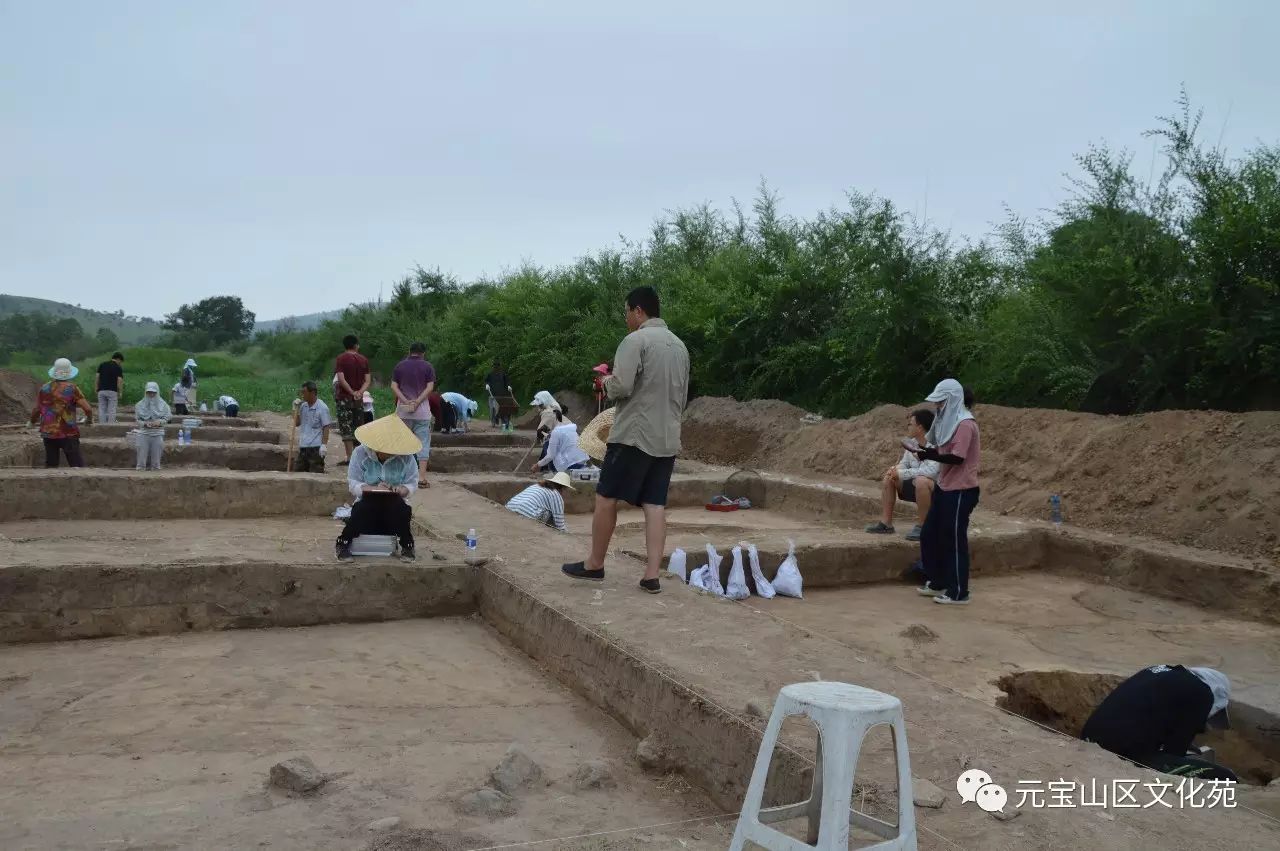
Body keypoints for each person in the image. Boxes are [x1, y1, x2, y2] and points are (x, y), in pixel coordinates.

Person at [562, 286, 690, 594]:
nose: (626, 319)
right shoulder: (680, 347)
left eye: (626, 312)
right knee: (654, 503)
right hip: (668, 436)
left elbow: (621, 387)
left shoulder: (636, 341)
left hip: (634, 435)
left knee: (606, 496)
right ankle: (651, 575)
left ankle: (594, 563)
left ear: (638, 311)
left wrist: (605, 381)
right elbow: (683, 397)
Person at [1082, 665, 1237, 781]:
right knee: (1226, 777)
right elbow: (1175, 752)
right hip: (1121, 753)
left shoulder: (1158, 671)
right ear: (1216, 693)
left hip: (1088, 740)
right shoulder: (1203, 693)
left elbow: (1148, 715)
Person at [912, 378, 980, 605]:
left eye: (941, 403)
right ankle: (938, 580)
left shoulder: (965, 424)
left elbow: (957, 458)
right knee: (930, 533)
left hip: (961, 490)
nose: (938, 407)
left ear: (951, 400)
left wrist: (928, 455)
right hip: (945, 486)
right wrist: (924, 450)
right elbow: (937, 445)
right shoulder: (948, 423)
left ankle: (959, 591)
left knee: (954, 540)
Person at [336, 415, 421, 562]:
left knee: (401, 508)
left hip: (393, 508)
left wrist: (402, 489)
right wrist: (370, 488)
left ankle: (407, 544)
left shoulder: (407, 457)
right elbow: (353, 482)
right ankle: (343, 542)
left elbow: (412, 482)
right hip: (367, 505)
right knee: (364, 507)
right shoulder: (360, 453)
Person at [865, 408, 939, 541]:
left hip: (936, 491)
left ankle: (924, 527)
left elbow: (931, 472)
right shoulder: (912, 444)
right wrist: (894, 470)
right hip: (916, 486)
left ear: (920, 427)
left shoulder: (935, 446)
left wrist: (902, 473)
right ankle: (886, 524)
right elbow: (904, 463)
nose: (908, 427)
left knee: (922, 481)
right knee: (889, 478)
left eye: (911, 424)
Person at [30, 357, 94, 468]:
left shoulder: (44, 388)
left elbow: (36, 409)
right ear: (69, 373)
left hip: (48, 432)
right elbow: (87, 409)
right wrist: (89, 419)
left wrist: (31, 422)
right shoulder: (72, 388)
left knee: (51, 466)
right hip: (68, 432)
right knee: (76, 466)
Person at [391, 342, 436, 486]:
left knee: (402, 442)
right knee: (423, 443)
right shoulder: (427, 366)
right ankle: (421, 478)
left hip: (403, 411)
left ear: (410, 351)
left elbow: (394, 386)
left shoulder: (400, 366)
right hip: (422, 412)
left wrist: (405, 400)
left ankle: (401, 476)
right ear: (423, 353)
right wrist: (417, 402)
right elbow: (430, 387)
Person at [334, 334, 371, 465]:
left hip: (344, 398)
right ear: (356, 345)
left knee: (346, 428)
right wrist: (359, 392)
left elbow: (341, 378)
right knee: (357, 427)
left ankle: (350, 458)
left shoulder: (341, 359)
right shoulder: (363, 360)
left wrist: (350, 392)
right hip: (358, 399)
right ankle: (358, 457)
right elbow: (367, 380)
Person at [506, 472, 574, 532]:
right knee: (550, 515)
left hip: (509, 508)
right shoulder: (555, 494)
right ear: (563, 488)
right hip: (526, 515)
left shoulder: (536, 486)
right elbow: (560, 524)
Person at [292, 381, 332, 473]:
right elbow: (297, 423)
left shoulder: (322, 407)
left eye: (304, 392)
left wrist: (324, 445)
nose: (302, 395)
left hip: (315, 447)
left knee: (315, 473)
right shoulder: (303, 406)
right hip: (303, 446)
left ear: (312, 393)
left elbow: (326, 426)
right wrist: (295, 409)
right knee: (298, 472)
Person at [134, 381, 170, 471]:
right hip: (144, 433)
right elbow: (138, 419)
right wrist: (145, 424)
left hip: (158, 433)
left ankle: (155, 474)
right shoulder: (139, 405)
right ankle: (140, 472)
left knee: (156, 461)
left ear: (157, 392)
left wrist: (159, 422)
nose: (151, 394)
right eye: (149, 392)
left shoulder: (164, 405)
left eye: (153, 392)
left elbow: (167, 417)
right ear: (146, 392)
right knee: (141, 458)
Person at [95, 352, 125, 424]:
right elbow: (119, 381)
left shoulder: (102, 365)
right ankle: (110, 426)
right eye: (120, 361)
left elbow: (97, 377)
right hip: (112, 391)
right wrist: (120, 392)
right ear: (118, 359)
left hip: (101, 390)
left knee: (102, 409)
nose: (120, 363)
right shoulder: (118, 367)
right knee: (112, 409)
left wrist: (96, 388)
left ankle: (102, 425)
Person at [485, 360, 512, 428]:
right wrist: (487, 385)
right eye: (495, 367)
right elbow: (487, 380)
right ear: (493, 367)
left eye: (497, 366)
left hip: (502, 394)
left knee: (502, 408)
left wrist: (508, 386)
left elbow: (507, 381)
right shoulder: (490, 374)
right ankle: (494, 421)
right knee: (493, 409)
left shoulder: (503, 374)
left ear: (499, 367)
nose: (496, 368)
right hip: (493, 395)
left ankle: (503, 421)